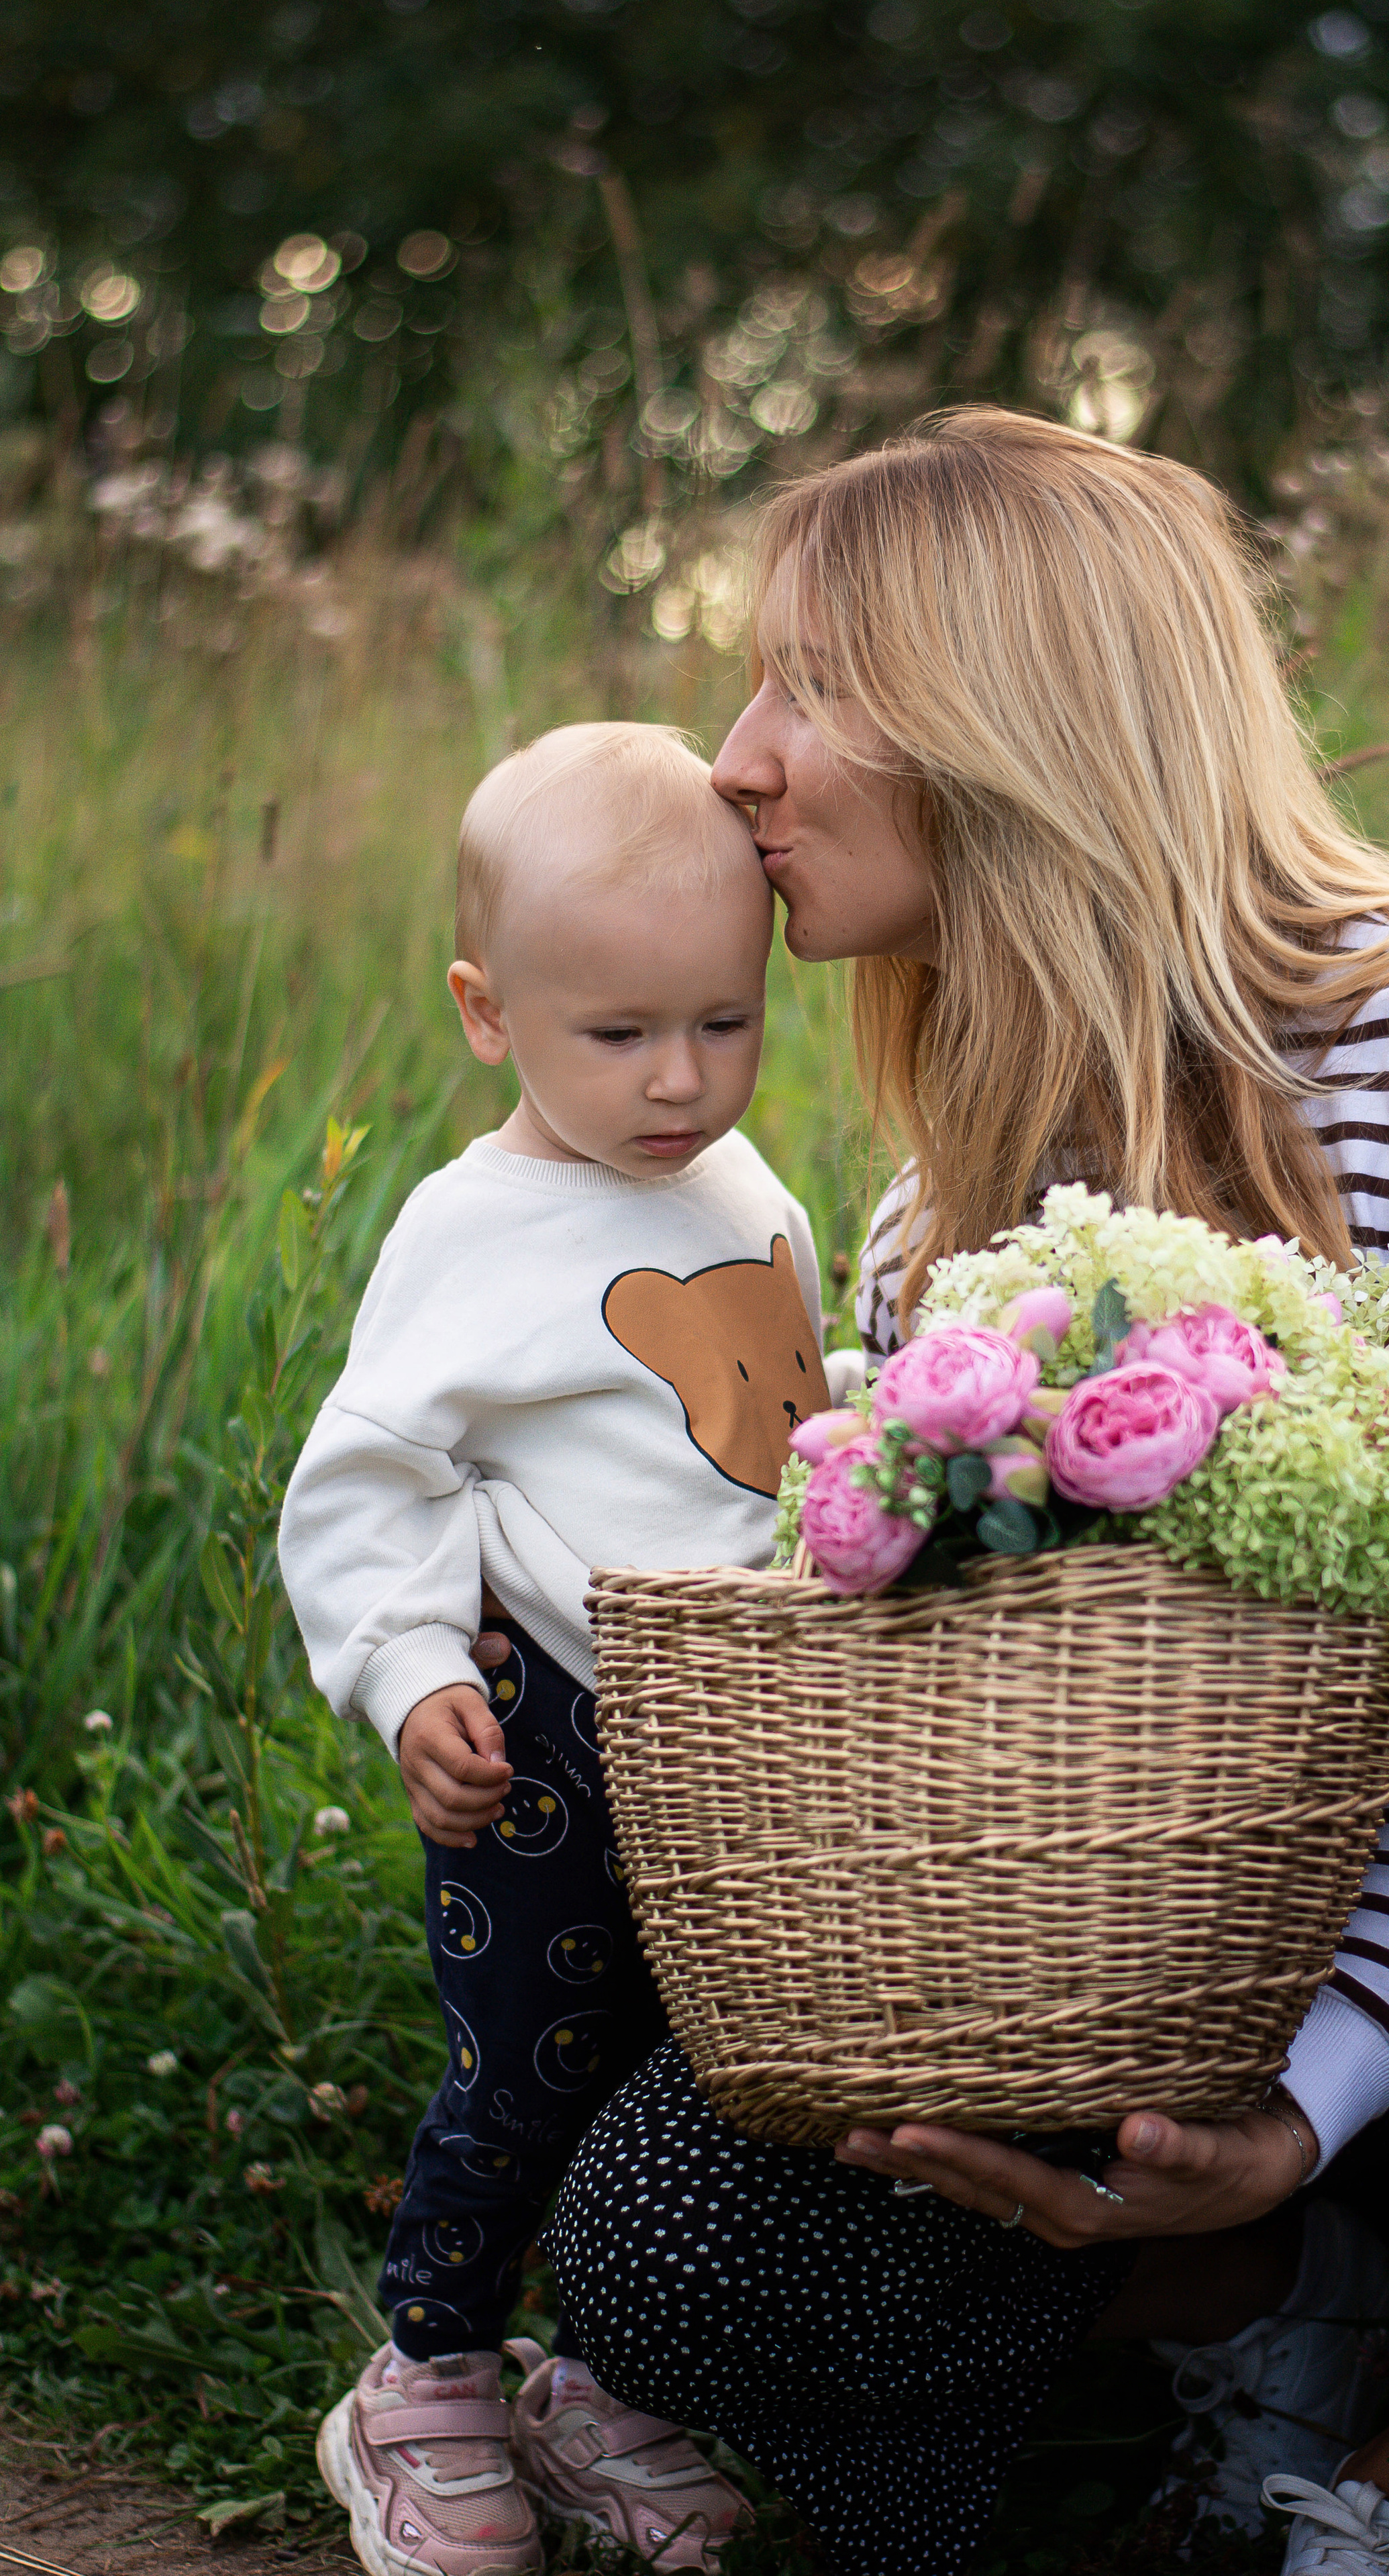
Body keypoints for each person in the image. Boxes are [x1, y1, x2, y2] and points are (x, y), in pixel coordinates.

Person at [537, 412, 1389, 2576]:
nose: (738, 760)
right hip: (1159, 1986)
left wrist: (1309, 2097)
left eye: (814, 685)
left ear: (1015, 720)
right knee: (663, 2244)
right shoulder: (932, 1219)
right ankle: (1273, 2313)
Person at [280, 722, 852, 2576]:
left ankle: (606, 2385)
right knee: (526, 2068)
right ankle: (429, 2376)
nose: (680, 1078)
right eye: (618, 1034)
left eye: (725, 1021)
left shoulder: (749, 1191)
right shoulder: (476, 1229)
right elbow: (373, 1482)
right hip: (549, 1733)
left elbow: (782, 1435)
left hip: (740, 1742)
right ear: (488, 1011)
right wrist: (414, 1673)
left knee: (695, 2076)